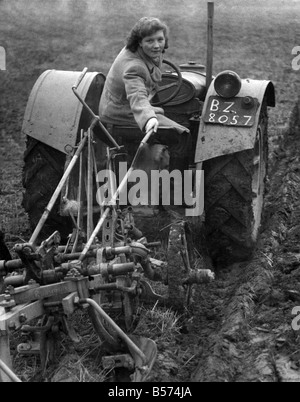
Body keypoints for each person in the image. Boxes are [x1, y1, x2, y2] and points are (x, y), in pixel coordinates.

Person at [99, 17, 191, 206]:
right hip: (122, 116)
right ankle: (175, 197)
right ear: (139, 42)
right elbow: (137, 95)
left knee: (166, 120)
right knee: (182, 135)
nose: (156, 45)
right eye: (150, 41)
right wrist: (148, 118)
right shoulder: (135, 66)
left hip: (119, 108)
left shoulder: (143, 54)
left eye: (160, 39)